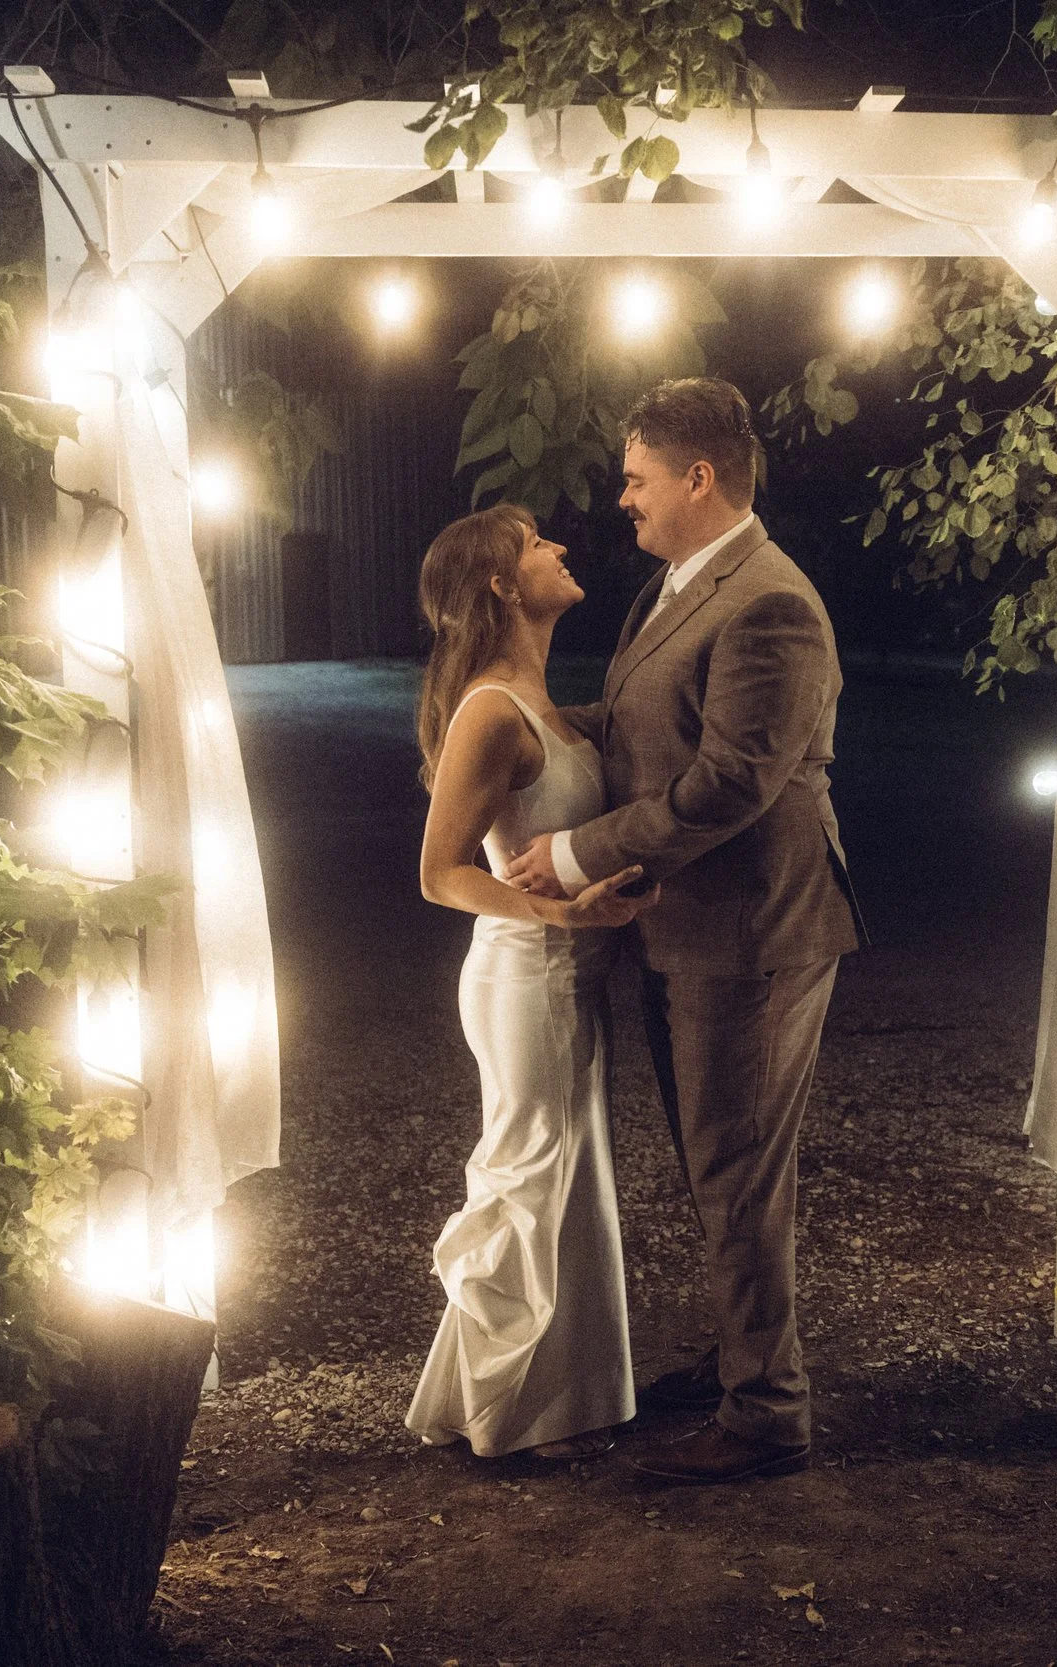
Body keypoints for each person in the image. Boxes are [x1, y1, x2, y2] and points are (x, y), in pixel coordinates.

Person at [505, 377, 867, 1485]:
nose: (623, 500)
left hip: (752, 926)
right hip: (684, 927)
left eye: (635, 478)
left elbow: (727, 787)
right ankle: (741, 1356)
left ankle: (766, 1411)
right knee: (720, 1159)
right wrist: (520, 725)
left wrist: (574, 852)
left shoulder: (771, 602)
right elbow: (639, 726)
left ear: (697, 477)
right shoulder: (675, 586)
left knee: (738, 1167)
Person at [405, 503, 658, 1462]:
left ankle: (561, 1395)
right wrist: (562, 913)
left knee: (565, 1173)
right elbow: (441, 872)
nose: (559, 546)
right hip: (528, 977)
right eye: (535, 543)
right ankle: (507, 1408)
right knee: (529, 1172)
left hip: (570, 974)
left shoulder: (542, 697)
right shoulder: (489, 710)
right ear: (504, 586)